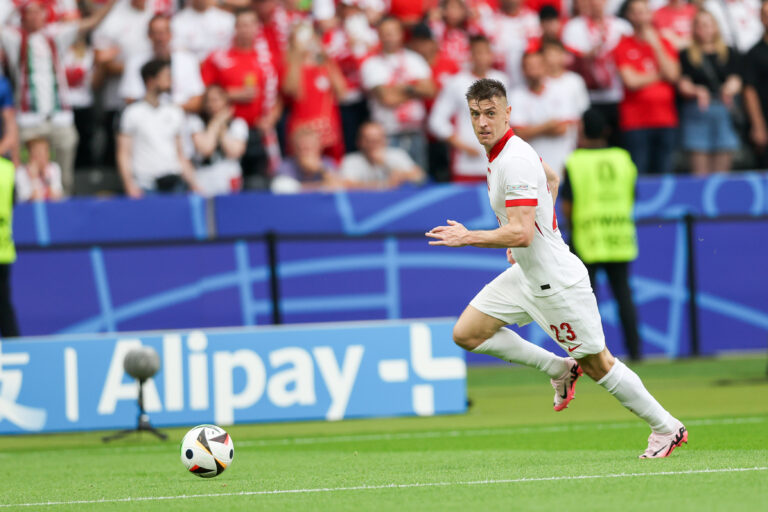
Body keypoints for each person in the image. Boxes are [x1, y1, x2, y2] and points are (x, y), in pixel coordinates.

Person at [425, 78, 687, 458]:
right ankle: (558, 368)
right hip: (528, 274)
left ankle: (666, 427)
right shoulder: (506, 152)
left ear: (507, 113)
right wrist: (538, 231)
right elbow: (551, 178)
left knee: (598, 364)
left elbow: (521, 232)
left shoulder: (513, 160)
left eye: (490, 113)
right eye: (475, 114)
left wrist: (470, 237)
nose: (482, 122)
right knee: (468, 333)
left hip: (555, 282)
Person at [0, 0, 118, 196]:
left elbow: (91, 22)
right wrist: (14, 5)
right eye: (29, 12)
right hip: (29, 117)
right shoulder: (15, 38)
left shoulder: (56, 35)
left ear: (45, 14)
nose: (34, 17)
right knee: (26, 170)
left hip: (59, 115)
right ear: (23, 16)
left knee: (63, 168)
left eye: (38, 12)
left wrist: (113, 3)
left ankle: (63, 200)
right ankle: (26, 200)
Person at [560, 108, 642, 361]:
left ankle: (592, 355)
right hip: (619, 235)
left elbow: (567, 203)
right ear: (606, 130)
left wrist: (574, 226)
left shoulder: (575, 161)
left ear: (582, 130)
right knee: (624, 295)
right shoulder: (622, 158)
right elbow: (632, 194)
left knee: (585, 301)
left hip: (587, 237)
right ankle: (636, 353)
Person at [201, 9, 281, 190]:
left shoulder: (268, 59)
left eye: (251, 24)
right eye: (242, 25)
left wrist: (272, 117)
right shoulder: (218, 58)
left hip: (257, 131)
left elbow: (279, 96)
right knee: (227, 182)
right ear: (235, 27)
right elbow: (204, 94)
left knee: (258, 183)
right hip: (227, 129)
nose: (247, 29)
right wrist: (232, 94)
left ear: (257, 28)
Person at [429, 35, 509, 182]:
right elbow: (436, 120)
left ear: (491, 55)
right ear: (470, 55)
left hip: (499, 164)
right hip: (466, 165)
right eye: (477, 52)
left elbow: (510, 118)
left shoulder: (502, 81)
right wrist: (460, 145)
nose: (481, 57)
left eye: (485, 52)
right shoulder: (457, 82)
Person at [360, 16, 436, 171]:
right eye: (385, 33)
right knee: (392, 179)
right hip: (388, 134)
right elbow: (387, 99)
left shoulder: (415, 59)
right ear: (379, 35)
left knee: (419, 178)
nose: (390, 37)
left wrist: (401, 88)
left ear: (401, 34)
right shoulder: (372, 64)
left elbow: (431, 90)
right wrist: (414, 88)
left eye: (393, 32)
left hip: (415, 132)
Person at [613, 0, 680, 174]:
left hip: (665, 119)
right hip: (635, 121)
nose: (641, 16)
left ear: (651, 14)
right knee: (639, 172)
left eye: (644, 11)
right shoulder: (622, 45)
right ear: (628, 16)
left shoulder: (664, 43)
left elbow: (673, 75)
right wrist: (660, 74)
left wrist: (656, 45)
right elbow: (631, 82)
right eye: (636, 12)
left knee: (665, 173)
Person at [117, 59, 200, 198]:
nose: (171, 80)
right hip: (146, 186)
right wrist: (129, 184)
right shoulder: (131, 113)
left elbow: (180, 154)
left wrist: (194, 184)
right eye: (166, 76)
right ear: (151, 81)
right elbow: (124, 153)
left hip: (174, 183)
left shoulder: (174, 111)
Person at [678, 10, 742, 175]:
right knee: (699, 170)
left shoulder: (728, 52)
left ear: (715, 27)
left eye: (707, 25)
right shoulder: (686, 54)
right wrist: (696, 91)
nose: (704, 29)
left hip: (723, 109)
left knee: (723, 167)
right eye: (699, 25)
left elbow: (736, 79)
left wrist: (729, 88)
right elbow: (683, 82)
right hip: (698, 111)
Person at [562, 0, 632, 147]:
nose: (596, 3)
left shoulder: (622, 26)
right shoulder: (574, 27)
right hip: (587, 95)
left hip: (617, 95)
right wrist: (587, 56)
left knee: (617, 142)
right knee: (589, 142)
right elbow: (568, 58)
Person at [509, 50, 587, 179]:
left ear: (545, 67)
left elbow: (562, 129)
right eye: (529, 66)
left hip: (562, 165)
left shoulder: (561, 91)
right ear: (523, 70)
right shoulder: (516, 95)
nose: (534, 71)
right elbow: (519, 134)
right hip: (530, 171)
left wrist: (532, 129)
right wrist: (548, 125)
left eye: (537, 65)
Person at [282, 22, 346, 162]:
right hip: (303, 129)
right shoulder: (290, 65)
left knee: (332, 165)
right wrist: (297, 56)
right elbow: (292, 90)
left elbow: (342, 91)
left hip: (327, 127)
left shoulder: (325, 65)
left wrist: (325, 57)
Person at [120, 14, 204, 114]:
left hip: (181, 118)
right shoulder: (135, 63)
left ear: (171, 34)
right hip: (145, 118)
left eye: (163, 33)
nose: (159, 38)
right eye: (155, 33)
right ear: (149, 35)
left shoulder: (188, 61)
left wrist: (168, 110)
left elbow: (197, 101)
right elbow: (130, 98)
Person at [189, 85, 248, 197]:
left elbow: (234, 152)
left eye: (215, 100)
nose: (211, 105)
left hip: (229, 178)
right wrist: (216, 123)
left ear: (226, 102)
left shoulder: (238, 124)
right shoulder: (196, 122)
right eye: (208, 101)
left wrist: (222, 128)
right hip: (204, 179)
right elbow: (206, 149)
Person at [340, 122, 426, 189]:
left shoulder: (397, 155)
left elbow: (420, 176)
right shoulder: (351, 160)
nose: (373, 144)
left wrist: (401, 174)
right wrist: (384, 185)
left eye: (377, 140)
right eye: (368, 140)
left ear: (385, 140)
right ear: (359, 142)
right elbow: (345, 184)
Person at [273, 127, 343, 193]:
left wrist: (321, 169)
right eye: (302, 148)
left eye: (310, 147)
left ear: (319, 147)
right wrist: (321, 186)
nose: (306, 153)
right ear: (294, 149)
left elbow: (337, 186)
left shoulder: (327, 163)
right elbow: (283, 188)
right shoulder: (286, 166)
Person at [743, 0, 768, 168]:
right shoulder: (754, 53)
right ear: (761, 18)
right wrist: (758, 126)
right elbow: (749, 91)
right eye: (766, 15)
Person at [0, 156, 19, 337]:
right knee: (4, 305)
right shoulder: (7, 169)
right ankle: (14, 344)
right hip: (4, 248)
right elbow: (14, 201)